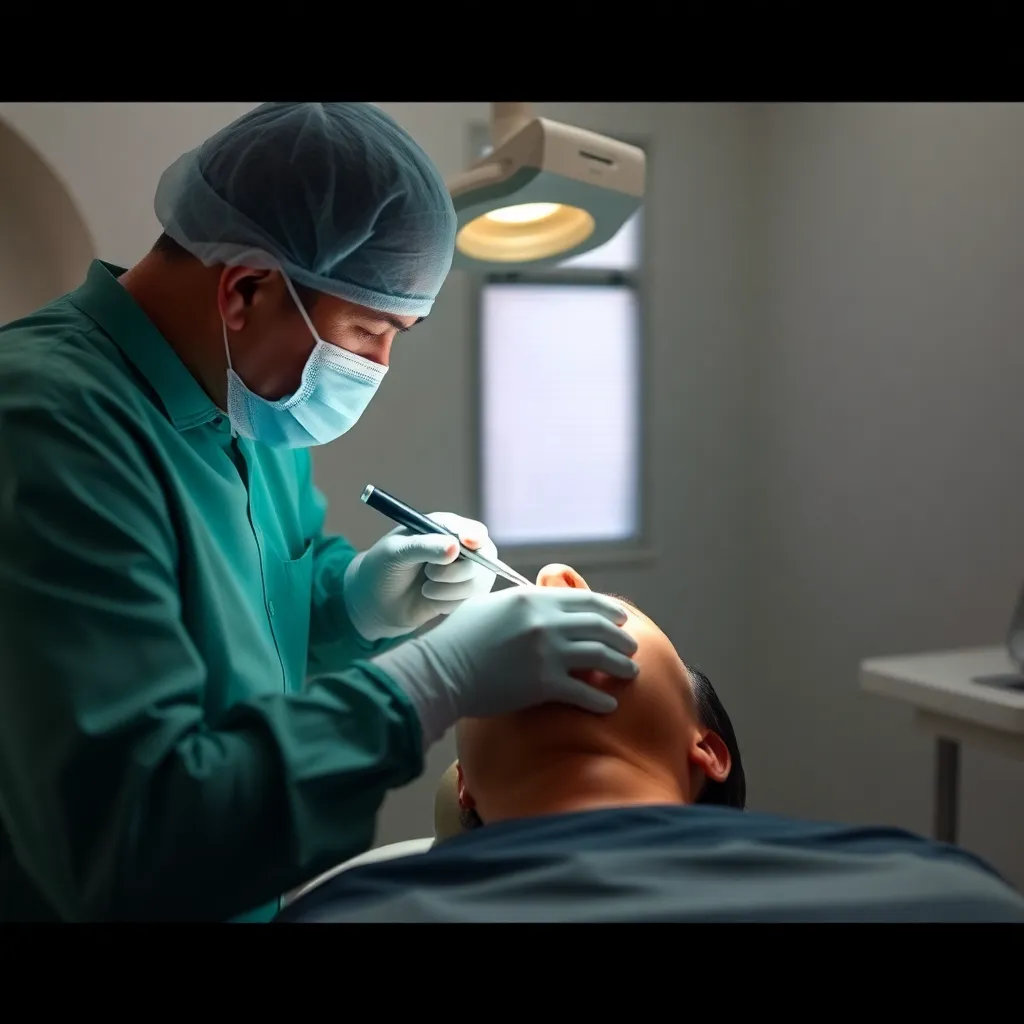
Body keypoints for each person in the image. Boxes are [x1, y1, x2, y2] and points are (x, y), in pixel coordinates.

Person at [0, 103, 640, 923]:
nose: (376, 366)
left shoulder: (240, 406)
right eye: (369, 330)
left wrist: (355, 606)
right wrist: (426, 685)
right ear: (248, 289)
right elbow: (128, 842)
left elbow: (251, 625)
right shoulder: (49, 427)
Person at [277, 564, 1024, 923]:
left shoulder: (945, 898)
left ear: (707, 749)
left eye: (607, 609)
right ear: (463, 784)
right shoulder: (942, 892)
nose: (556, 584)